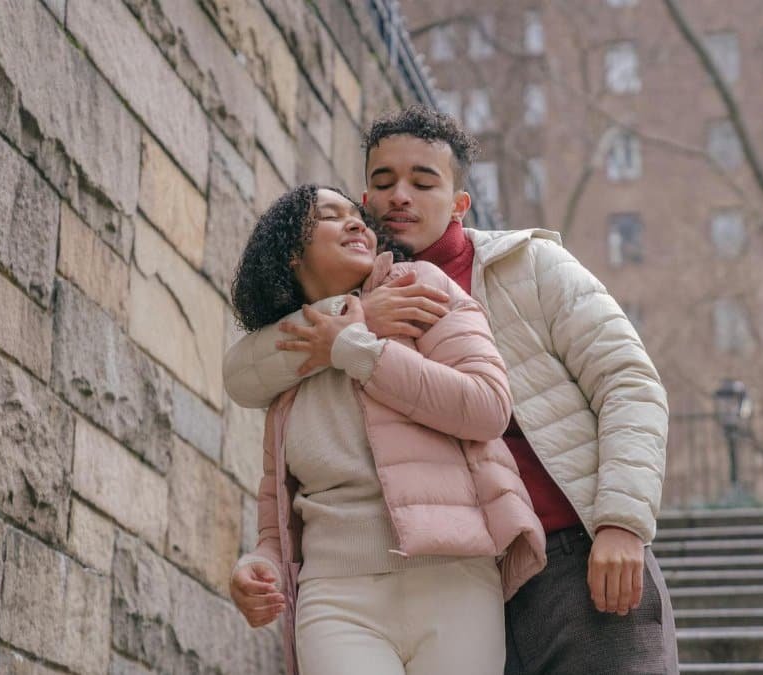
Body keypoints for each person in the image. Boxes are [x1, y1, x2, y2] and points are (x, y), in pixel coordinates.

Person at [225, 106, 678, 675]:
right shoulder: (357, 300)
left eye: (423, 180)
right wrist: (359, 316)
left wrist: (620, 521)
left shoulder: (528, 265)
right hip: (468, 574)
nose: (400, 197)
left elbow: (629, 381)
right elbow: (244, 371)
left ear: (460, 202)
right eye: (383, 182)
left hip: (576, 555)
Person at [226, 184, 546, 675]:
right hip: (335, 597)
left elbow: (487, 407)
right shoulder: (284, 371)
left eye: (356, 214)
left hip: (453, 580)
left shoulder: (419, 286)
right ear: (292, 253)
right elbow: (278, 515)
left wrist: (355, 350)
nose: (357, 223)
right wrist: (261, 565)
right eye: (330, 217)